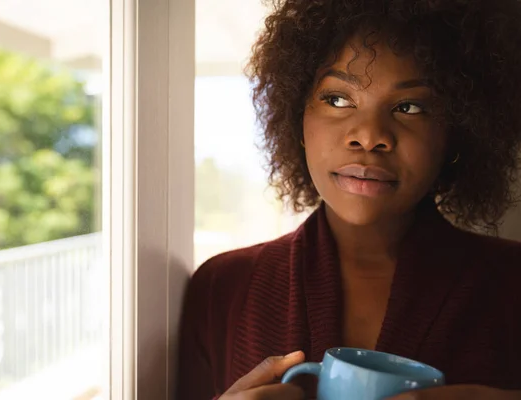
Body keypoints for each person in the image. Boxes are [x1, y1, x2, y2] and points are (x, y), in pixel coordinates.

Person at [178, 0, 521, 399]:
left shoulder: (512, 286)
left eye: (408, 107)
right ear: (297, 117)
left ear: (456, 133)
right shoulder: (221, 289)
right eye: (338, 99)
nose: (369, 135)